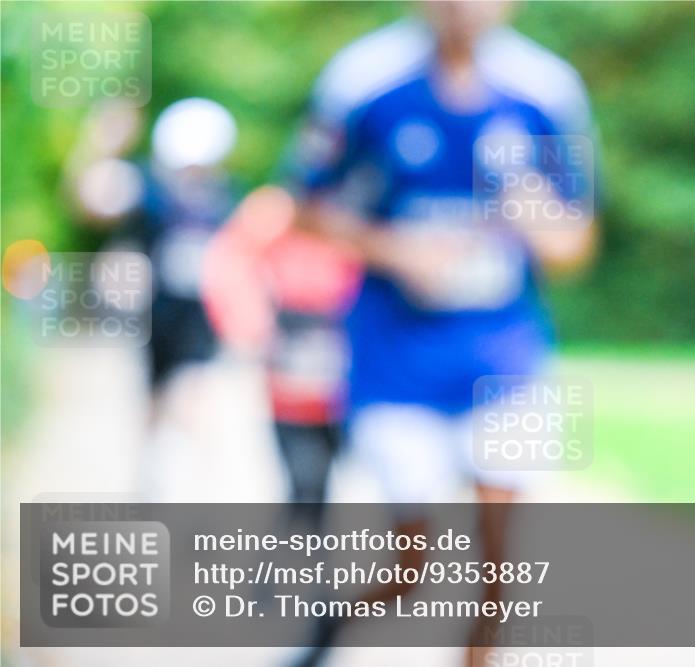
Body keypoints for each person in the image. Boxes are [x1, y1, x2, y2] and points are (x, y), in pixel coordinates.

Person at [287, 2, 598, 665]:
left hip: (504, 355)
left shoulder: (548, 90)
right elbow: (304, 209)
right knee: (414, 561)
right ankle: (325, 634)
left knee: (499, 559)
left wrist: (539, 218)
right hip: (394, 358)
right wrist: (394, 249)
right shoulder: (361, 80)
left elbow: (577, 243)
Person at [67, 97, 240, 498]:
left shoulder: (225, 194)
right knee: (154, 406)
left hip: (200, 317)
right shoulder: (149, 187)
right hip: (155, 316)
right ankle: (149, 485)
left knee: (193, 401)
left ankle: (195, 497)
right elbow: (91, 205)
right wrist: (98, 145)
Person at [202, 185, 362, 528]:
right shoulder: (277, 210)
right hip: (293, 370)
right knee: (303, 477)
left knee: (342, 475)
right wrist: (250, 323)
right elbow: (229, 261)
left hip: (352, 372)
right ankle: (300, 562)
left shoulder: (360, 210)